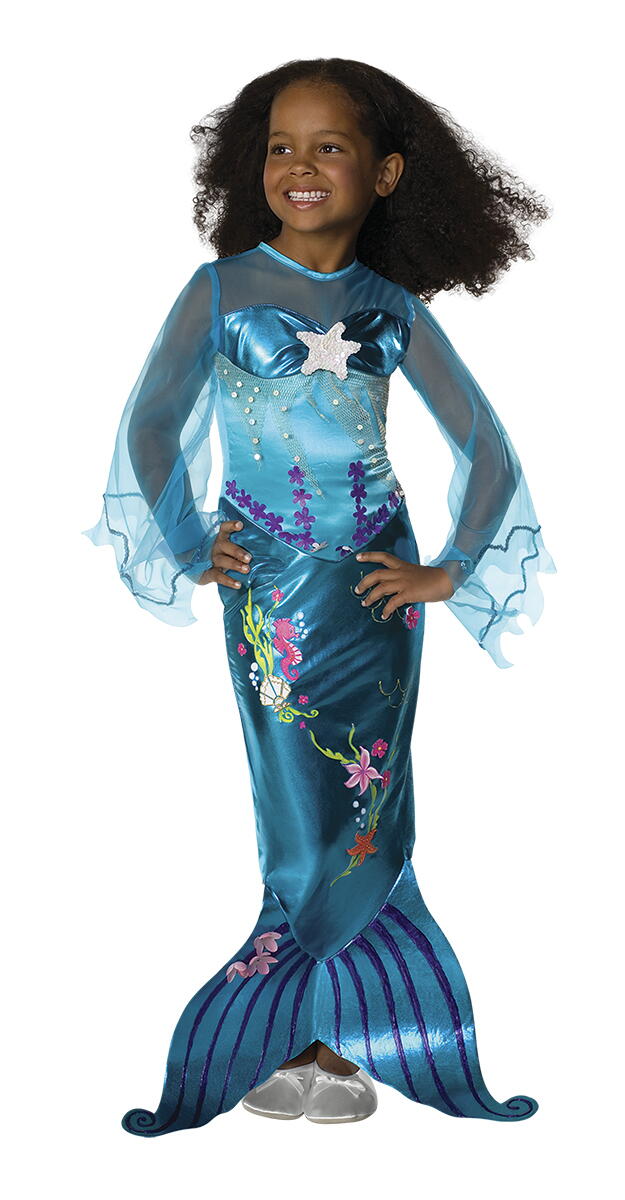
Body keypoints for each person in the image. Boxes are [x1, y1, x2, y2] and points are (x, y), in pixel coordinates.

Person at [83, 57, 556, 1132]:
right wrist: (190, 541)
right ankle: (292, 1031)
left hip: (378, 597)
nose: (300, 166)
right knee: (294, 802)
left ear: (384, 174)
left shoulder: (391, 307)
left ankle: (342, 1044)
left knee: (373, 802)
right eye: (280, 147)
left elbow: (485, 448)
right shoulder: (218, 290)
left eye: (328, 146)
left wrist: (448, 570)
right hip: (269, 597)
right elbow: (151, 426)